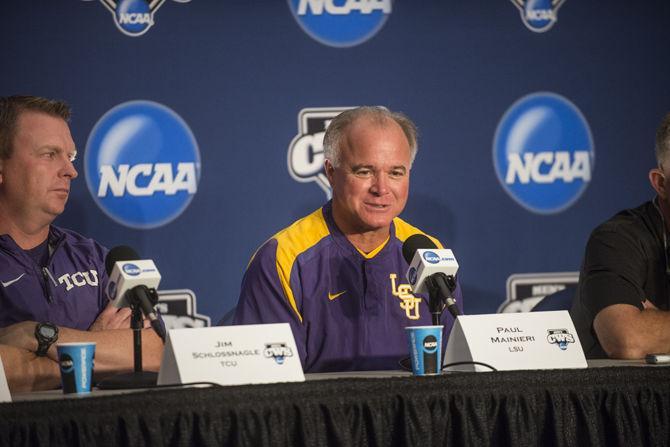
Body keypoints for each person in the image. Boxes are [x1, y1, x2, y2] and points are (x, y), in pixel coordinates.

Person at [232, 106, 462, 372]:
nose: (381, 188)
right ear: (331, 172)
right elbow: (266, 383)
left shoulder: (429, 252)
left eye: (396, 173)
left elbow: (456, 371)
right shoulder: (283, 257)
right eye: (364, 171)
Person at [0, 95, 163, 392]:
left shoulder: (91, 256)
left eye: (70, 156)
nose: (70, 171)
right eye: (49, 154)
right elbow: (5, 370)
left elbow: (152, 351)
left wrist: (36, 335)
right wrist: (98, 347)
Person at [571, 112, 670, 359]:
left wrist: (657, 324)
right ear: (661, 183)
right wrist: (643, 328)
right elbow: (628, 339)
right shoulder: (616, 239)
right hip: (629, 396)